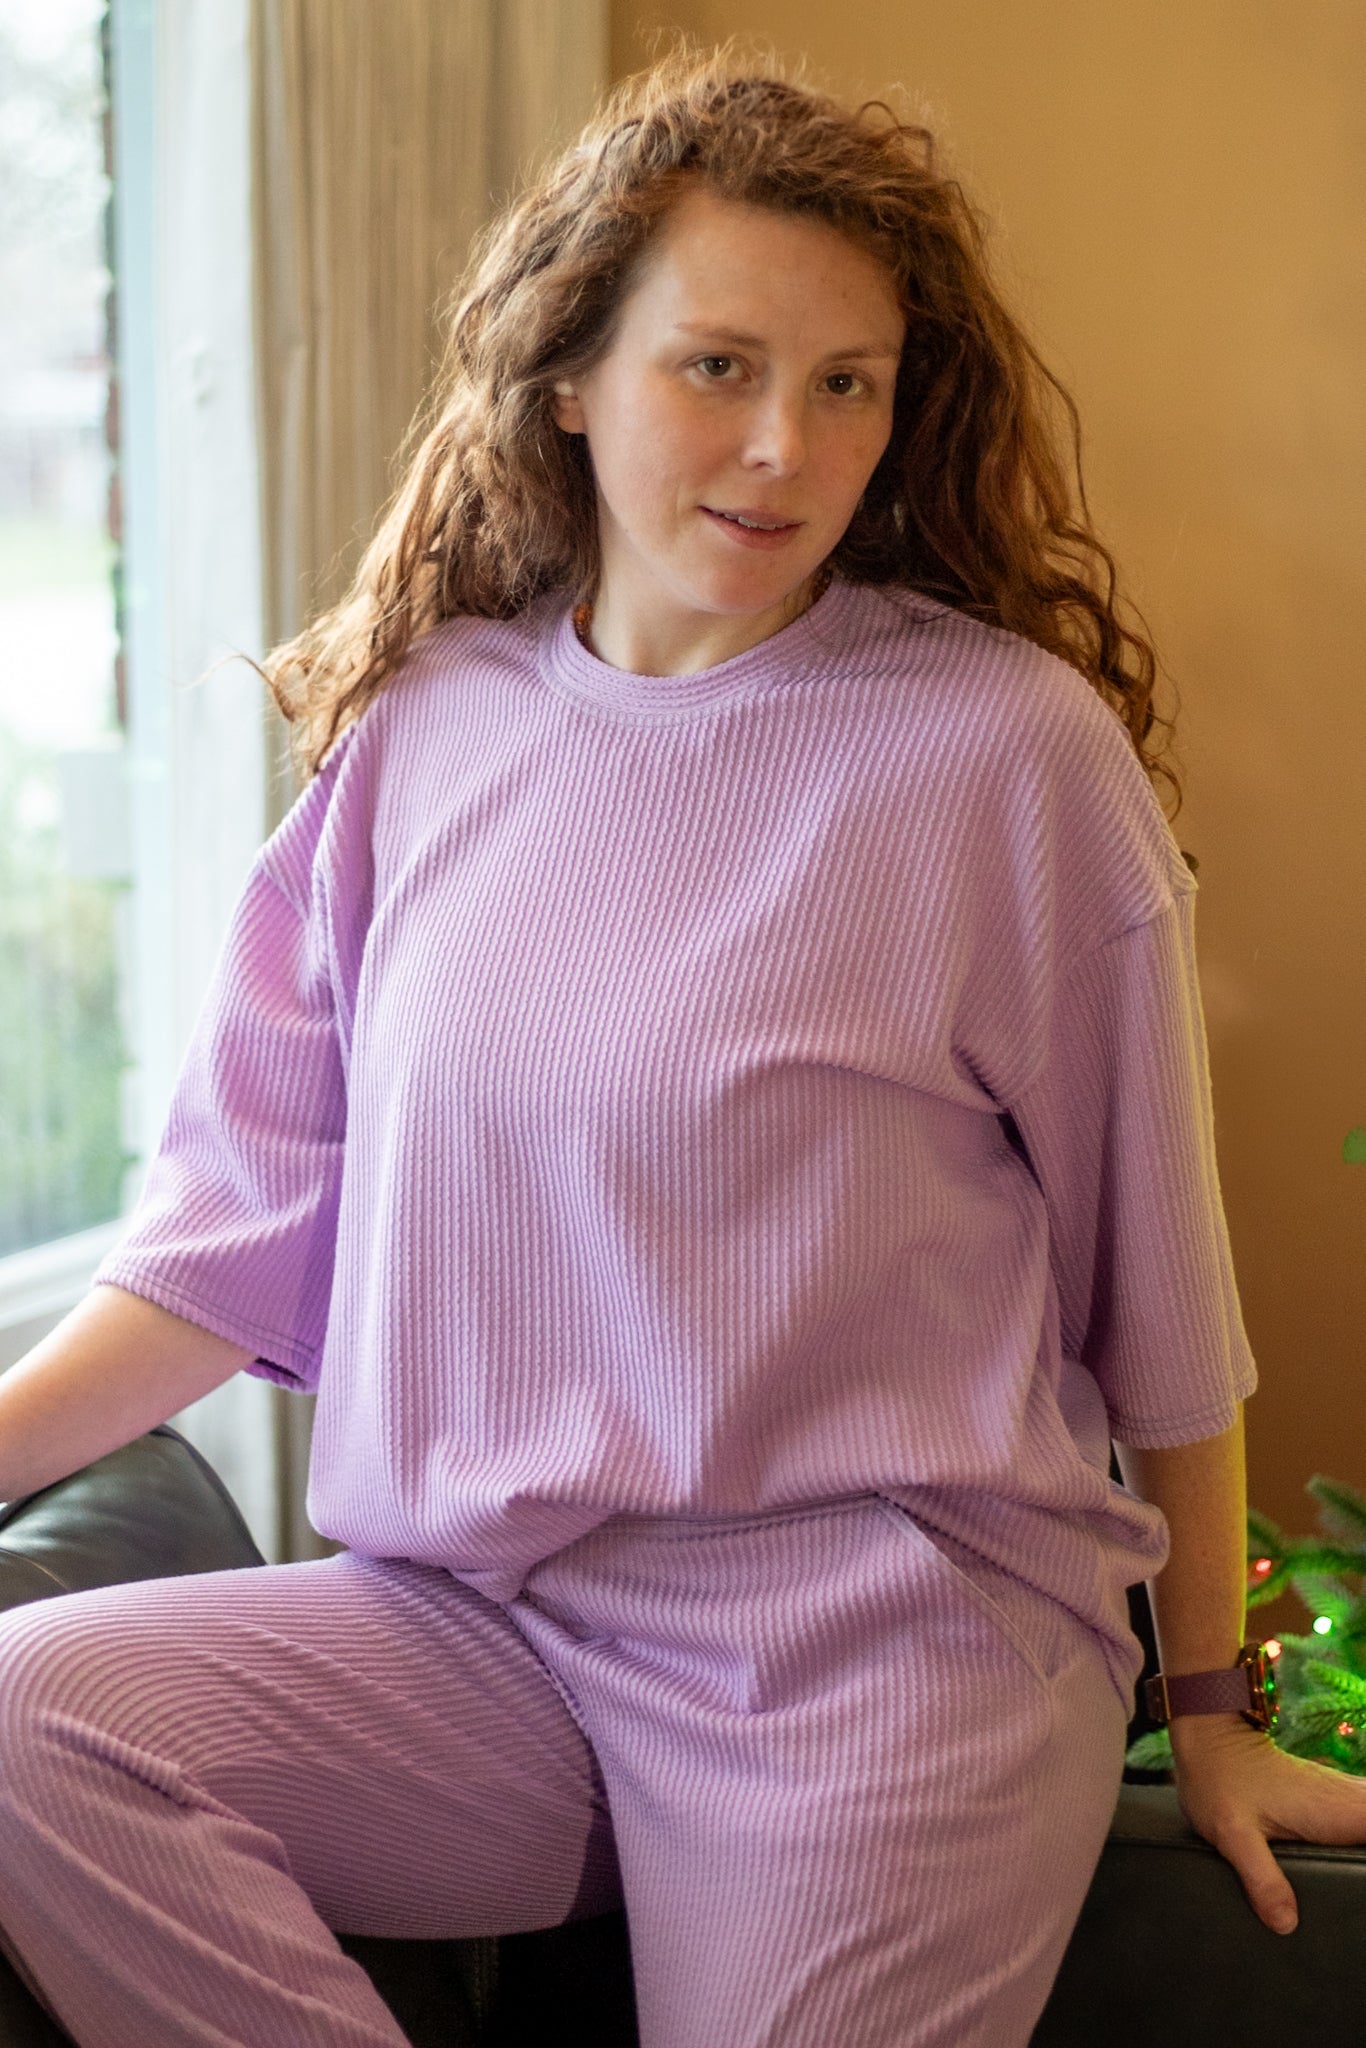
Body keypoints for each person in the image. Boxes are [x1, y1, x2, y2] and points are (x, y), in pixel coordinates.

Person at [0, 49, 1362, 2048]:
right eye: (715, 366)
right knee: (36, 1721)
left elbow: (1156, 1287)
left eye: (845, 383)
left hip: (890, 1653)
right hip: (487, 1631)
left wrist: (1213, 1708)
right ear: (567, 375)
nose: (781, 448)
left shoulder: (1002, 755)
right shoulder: (420, 734)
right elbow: (223, 1244)